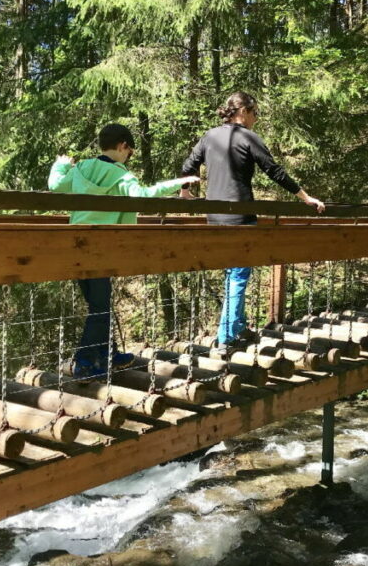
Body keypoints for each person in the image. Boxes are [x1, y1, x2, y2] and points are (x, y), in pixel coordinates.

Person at [49, 123, 200, 377]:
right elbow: (144, 195)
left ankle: (110, 352)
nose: (128, 158)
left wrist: (61, 164)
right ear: (123, 146)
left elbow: (55, 187)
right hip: (103, 248)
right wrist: (179, 182)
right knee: (100, 307)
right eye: (129, 153)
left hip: (75, 245)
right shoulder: (122, 176)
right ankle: (84, 360)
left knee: (98, 302)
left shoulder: (81, 168)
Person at [181, 92, 325, 355]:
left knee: (232, 274)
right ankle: (225, 339)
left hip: (214, 218)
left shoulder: (210, 136)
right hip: (241, 217)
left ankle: (237, 327)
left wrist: (185, 193)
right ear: (244, 111)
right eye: (255, 112)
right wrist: (305, 197)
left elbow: (190, 164)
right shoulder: (248, 137)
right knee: (237, 275)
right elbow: (274, 170)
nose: (256, 118)